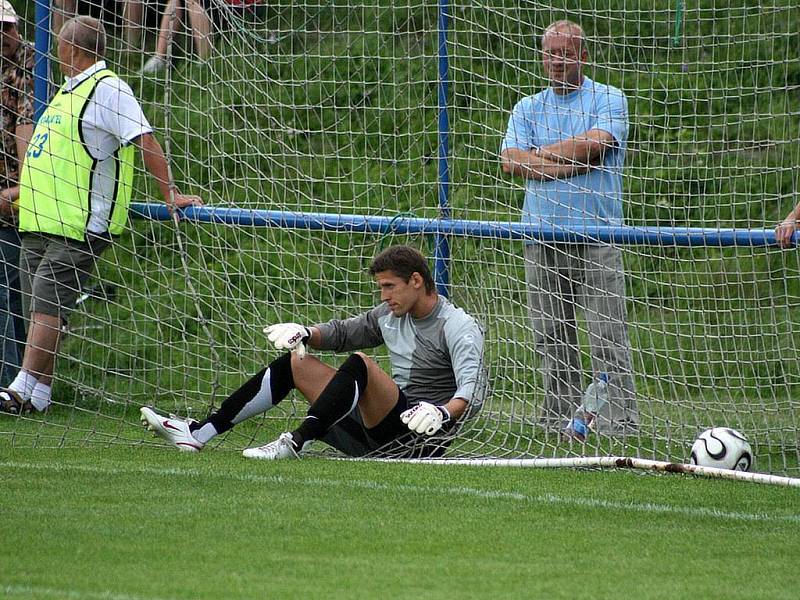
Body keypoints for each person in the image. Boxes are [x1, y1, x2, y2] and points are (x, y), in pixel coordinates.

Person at [0, 15, 202, 415]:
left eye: (59, 47)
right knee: (37, 307)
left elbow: (144, 137)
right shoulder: (66, 93)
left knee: (47, 305)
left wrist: (170, 192)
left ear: (70, 49)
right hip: (41, 220)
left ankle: (20, 388)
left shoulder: (110, 90)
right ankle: (39, 393)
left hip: (79, 224)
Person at [141, 245, 486, 459]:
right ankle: (199, 433)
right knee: (298, 360)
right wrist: (305, 333)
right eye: (380, 287)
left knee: (361, 364)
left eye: (388, 287)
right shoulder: (388, 315)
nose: (383, 296)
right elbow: (342, 333)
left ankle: (295, 442)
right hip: (376, 434)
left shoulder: (457, 326)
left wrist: (441, 412)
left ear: (415, 280)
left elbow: (470, 393)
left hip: (419, 439)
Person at [499, 19, 639, 435]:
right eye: (550, 53)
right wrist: (567, 163)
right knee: (550, 336)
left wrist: (540, 157)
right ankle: (559, 419)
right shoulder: (527, 108)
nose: (557, 61)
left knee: (606, 335)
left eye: (565, 53)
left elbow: (595, 144)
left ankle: (618, 422)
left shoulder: (609, 98)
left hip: (597, 235)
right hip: (542, 236)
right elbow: (510, 160)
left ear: (583, 55)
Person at [0, 1, 32, 387]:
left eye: (10, 27)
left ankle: (12, 382)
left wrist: (21, 188)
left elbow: (26, 124)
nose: (9, 35)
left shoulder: (29, 63)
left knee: (12, 292)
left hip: (20, 198)